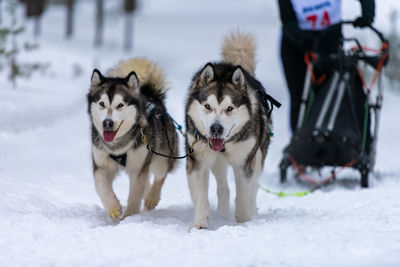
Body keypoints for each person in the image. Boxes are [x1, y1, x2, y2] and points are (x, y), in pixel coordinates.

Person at [278, 0, 375, 134]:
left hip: (330, 43)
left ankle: (333, 142)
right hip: (297, 48)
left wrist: (367, 14)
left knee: (335, 95)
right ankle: (300, 143)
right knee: (301, 100)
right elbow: (288, 21)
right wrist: (306, 41)